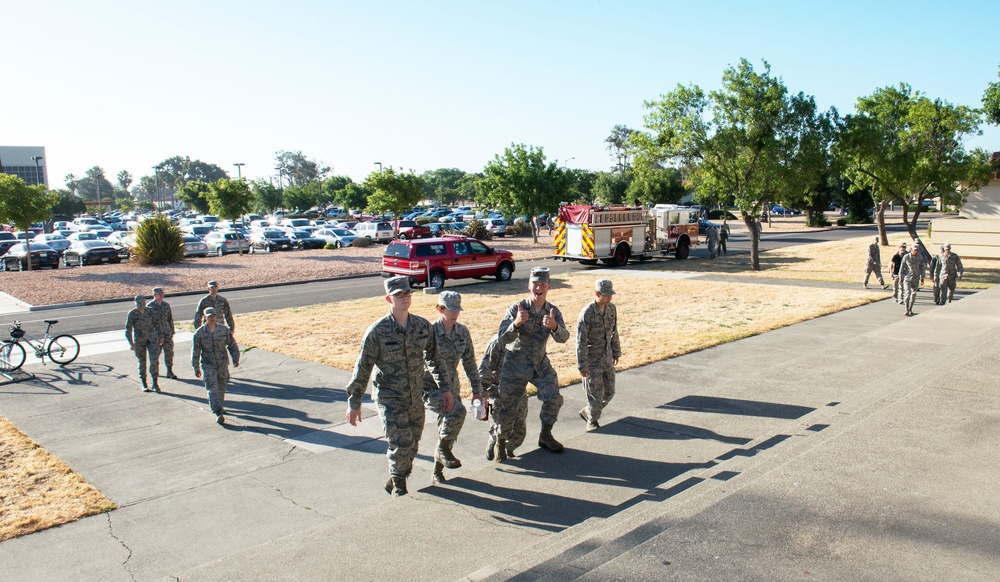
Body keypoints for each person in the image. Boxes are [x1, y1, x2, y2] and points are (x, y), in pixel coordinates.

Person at [344, 276, 453, 497]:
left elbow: (434, 358)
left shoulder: (422, 326)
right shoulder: (377, 332)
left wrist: (445, 388)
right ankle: (400, 489)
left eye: (407, 293)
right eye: (399, 295)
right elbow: (362, 368)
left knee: (413, 443)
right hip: (389, 397)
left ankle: (396, 477)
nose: (404, 298)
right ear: (388, 299)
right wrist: (354, 402)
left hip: (414, 395)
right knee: (400, 443)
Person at [490, 267, 570, 461]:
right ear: (529, 285)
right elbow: (502, 338)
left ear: (549, 287)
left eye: (543, 284)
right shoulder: (517, 308)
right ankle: (500, 443)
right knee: (508, 407)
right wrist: (516, 324)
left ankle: (545, 435)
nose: (538, 288)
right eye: (535, 284)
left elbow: (564, 338)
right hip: (515, 365)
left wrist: (554, 327)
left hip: (539, 364)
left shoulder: (552, 311)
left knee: (553, 397)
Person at [424, 291, 484, 484]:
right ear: (440, 309)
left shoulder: (462, 332)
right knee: (456, 413)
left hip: (452, 386)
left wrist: (477, 391)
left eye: (458, 309)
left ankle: (437, 472)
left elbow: (469, 363)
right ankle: (397, 477)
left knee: (448, 429)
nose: (455, 313)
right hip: (430, 387)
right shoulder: (428, 332)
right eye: (451, 309)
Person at [576, 279, 621, 430]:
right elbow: (580, 341)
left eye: (611, 295)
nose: (609, 298)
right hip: (592, 361)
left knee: (610, 391)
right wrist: (582, 365)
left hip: (607, 357)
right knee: (595, 394)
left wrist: (616, 352)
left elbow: (614, 332)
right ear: (597, 293)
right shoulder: (587, 313)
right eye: (606, 295)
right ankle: (592, 422)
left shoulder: (611, 309)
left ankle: (588, 412)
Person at [480, 333, 526, 461]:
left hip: (519, 390)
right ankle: (495, 442)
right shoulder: (498, 341)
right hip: (499, 391)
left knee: (519, 429)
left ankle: (507, 448)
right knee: (501, 425)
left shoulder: (527, 340)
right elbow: (485, 368)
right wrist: (483, 392)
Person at [191, 307, 240, 424]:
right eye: (209, 316)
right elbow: (195, 351)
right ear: (205, 318)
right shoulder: (199, 333)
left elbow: (232, 344)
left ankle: (219, 405)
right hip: (208, 364)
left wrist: (235, 357)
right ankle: (217, 411)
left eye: (213, 316)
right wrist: (196, 367)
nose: (212, 318)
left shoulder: (223, 330)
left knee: (222, 386)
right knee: (212, 387)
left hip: (222, 363)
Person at [125, 295, 161, 392]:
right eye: (139, 304)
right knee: (142, 362)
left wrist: (160, 336)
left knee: (154, 360)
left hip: (152, 339)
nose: (141, 306)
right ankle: (144, 383)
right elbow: (128, 330)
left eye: (142, 304)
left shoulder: (150, 311)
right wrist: (131, 343)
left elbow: (157, 324)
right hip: (140, 341)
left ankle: (155, 382)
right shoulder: (132, 314)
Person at [147, 286, 178, 379]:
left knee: (169, 353)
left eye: (162, 293)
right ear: (154, 295)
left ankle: (169, 371)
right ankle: (155, 372)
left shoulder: (166, 305)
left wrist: (172, 330)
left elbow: (170, 318)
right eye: (159, 294)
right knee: (155, 355)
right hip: (156, 335)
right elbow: (148, 323)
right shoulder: (150, 307)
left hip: (167, 332)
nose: (161, 295)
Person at [898, 246, 924, 316]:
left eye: (917, 250)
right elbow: (902, 268)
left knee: (914, 294)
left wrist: (922, 277)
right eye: (915, 250)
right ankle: (906, 309)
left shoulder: (920, 257)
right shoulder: (906, 257)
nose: (916, 251)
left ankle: (910, 308)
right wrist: (900, 278)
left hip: (916, 278)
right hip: (907, 277)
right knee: (907, 293)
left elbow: (922, 268)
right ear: (911, 250)